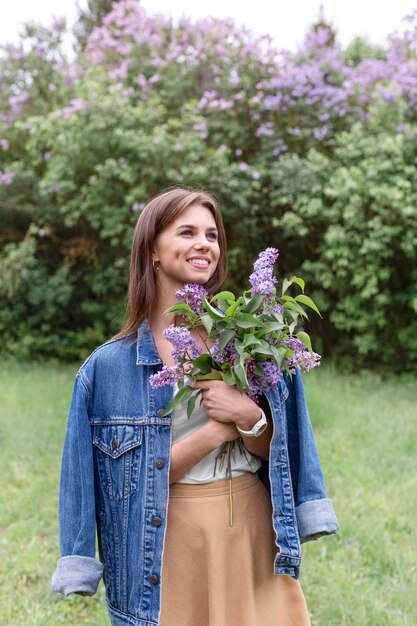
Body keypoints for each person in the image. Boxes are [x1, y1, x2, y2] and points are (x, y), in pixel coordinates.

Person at [51, 186, 339, 626]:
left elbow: (278, 454)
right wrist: (216, 431)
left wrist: (249, 419)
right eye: (187, 232)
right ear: (152, 250)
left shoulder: (253, 342)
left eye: (212, 235)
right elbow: (108, 482)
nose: (205, 244)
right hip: (166, 542)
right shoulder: (106, 369)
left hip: (250, 532)